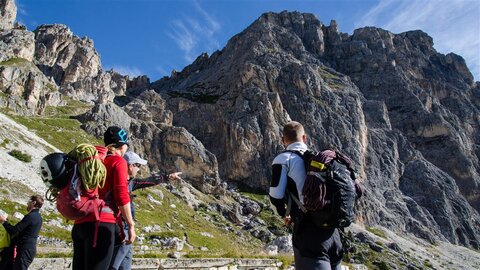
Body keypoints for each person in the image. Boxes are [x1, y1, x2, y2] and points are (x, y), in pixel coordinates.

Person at [269, 121, 343, 270]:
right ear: (304, 138)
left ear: (283, 140)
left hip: (308, 232)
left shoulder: (283, 159)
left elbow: (275, 195)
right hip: (334, 233)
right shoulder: (320, 160)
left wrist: (284, 213)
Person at [72, 126, 136, 270]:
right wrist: (131, 225)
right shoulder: (118, 162)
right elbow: (121, 196)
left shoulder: (92, 162)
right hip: (101, 224)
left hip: (80, 223)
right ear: (123, 144)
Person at [110, 151, 182, 270]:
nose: (139, 169)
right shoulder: (119, 182)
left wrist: (168, 177)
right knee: (114, 265)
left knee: (125, 263)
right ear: (130, 165)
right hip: (121, 228)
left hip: (127, 229)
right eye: (138, 166)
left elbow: (149, 181)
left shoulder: (131, 182)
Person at [0, 194, 44, 270]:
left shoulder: (30, 216)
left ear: (33, 203)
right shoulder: (39, 217)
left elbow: (14, 231)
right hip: (29, 250)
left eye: (29, 202)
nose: (27, 204)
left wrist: (3, 221)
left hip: (25, 250)